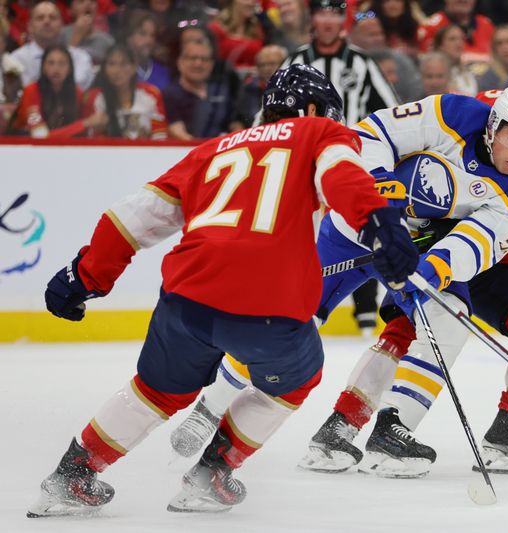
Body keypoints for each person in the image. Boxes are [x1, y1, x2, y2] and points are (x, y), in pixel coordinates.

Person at [27, 63, 418, 518]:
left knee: (154, 391)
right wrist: (381, 223)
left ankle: (70, 476)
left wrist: (85, 276)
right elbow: (342, 178)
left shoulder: (210, 151)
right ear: (312, 110)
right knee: (299, 377)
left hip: (184, 299)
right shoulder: (318, 132)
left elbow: (131, 217)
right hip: (268, 305)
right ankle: (211, 474)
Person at [170, 84, 508, 478]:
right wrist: (376, 185)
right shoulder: (452, 114)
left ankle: (394, 428)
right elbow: (374, 133)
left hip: (417, 249)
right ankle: (210, 407)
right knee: (292, 318)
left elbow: (483, 239)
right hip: (358, 225)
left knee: (450, 317)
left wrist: (438, 264)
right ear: (493, 127)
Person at [296, 46, 508, 476]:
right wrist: (401, 209)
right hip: (422, 239)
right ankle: (341, 428)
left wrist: (442, 239)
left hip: (495, 257)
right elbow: (413, 147)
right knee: (407, 327)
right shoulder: (486, 106)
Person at [283, 0, 400, 332]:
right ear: (313, 19)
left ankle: (365, 309)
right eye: (323, 13)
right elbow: (275, 107)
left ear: (344, 20)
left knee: (358, 221)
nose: (328, 20)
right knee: (305, 226)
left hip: (350, 157)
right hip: (302, 158)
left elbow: (390, 112)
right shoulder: (296, 60)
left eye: (335, 13)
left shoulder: (362, 62)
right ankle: (298, 298)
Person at [10, 44, 107, 138]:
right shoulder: (30, 92)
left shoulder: (76, 92)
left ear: (69, 69)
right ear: (43, 67)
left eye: (62, 63)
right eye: (51, 63)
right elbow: (38, 135)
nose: (56, 69)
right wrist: (85, 124)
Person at [82, 44, 167, 139]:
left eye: (123, 64)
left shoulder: (152, 94)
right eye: (111, 64)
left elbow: (160, 135)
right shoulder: (94, 97)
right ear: (104, 68)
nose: (117, 70)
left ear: (134, 67)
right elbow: (90, 139)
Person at [10, 1, 94, 90]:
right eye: (40, 18)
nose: (47, 21)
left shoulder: (80, 58)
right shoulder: (16, 60)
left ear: (62, 25)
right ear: (30, 26)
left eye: (53, 18)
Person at [62, 0, 114, 66]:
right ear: (70, 10)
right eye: (81, 1)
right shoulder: (61, 35)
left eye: (92, 1)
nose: (88, 3)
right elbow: (61, 64)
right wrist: (77, 35)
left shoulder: (107, 41)